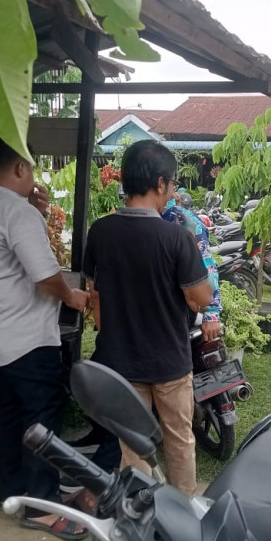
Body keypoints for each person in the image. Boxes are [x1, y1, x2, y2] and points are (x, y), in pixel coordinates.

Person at [0, 138, 90, 541]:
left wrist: (36, 214)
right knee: (43, 415)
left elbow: (6, 257)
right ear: (19, 168)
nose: (34, 178)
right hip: (28, 334)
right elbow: (44, 274)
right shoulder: (15, 211)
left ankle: (11, 489)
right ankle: (42, 505)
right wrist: (73, 296)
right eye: (31, 169)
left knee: (11, 409)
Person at [83, 140, 212, 497]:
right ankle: (183, 512)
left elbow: (96, 294)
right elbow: (200, 299)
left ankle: (137, 513)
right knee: (179, 441)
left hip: (121, 362)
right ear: (159, 184)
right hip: (169, 361)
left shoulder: (101, 231)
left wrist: (105, 332)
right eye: (171, 184)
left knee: (132, 445)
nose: (173, 191)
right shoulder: (176, 238)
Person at [162, 192, 222, 341]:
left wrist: (211, 313)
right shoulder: (127, 220)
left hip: (176, 309)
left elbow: (206, 265)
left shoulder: (183, 220)